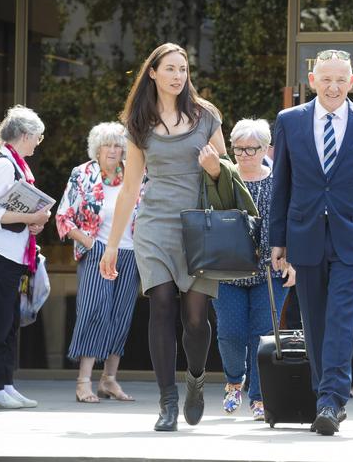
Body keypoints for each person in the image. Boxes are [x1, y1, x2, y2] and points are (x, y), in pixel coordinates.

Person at [99, 42, 227, 431]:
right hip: (155, 224)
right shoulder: (138, 123)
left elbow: (228, 174)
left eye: (183, 69)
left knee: (195, 319)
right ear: (152, 73)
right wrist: (111, 246)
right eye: (170, 68)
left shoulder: (206, 115)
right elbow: (129, 188)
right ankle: (167, 402)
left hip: (199, 225)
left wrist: (214, 166)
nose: (178, 76)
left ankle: (197, 378)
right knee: (162, 305)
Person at [270, 49, 353, 436]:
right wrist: (278, 241)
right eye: (326, 79)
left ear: (352, 82)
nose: (333, 86)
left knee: (341, 317)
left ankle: (330, 400)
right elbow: (281, 184)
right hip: (304, 234)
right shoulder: (289, 121)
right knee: (314, 321)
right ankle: (324, 395)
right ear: (312, 81)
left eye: (341, 79)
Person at [212, 118, 296, 421]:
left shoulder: (280, 181)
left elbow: (293, 223)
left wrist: (293, 260)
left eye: (252, 149)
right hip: (226, 271)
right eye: (239, 149)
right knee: (230, 333)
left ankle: (260, 398)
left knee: (263, 336)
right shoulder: (222, 177)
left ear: (266, 149)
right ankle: (234, 381)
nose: (245, 154)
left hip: (269, 272)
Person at [0, 105, 50, 409]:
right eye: (37, 138)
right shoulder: (4, 165)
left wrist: (33, 220)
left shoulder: (15, 164)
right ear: (25, 135)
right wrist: (31, 218)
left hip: (10, 250)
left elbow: (8, 213)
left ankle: (4, 383)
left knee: (9, 320)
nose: (37, 143)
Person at [55, 122, 141, 403]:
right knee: (94, 312)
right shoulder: (83, 175)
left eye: (119, 145)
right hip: (97, 252)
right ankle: (83, 381)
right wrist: (92, 245)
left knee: (121, 315)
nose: (114, 150)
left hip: (130, 252)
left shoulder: (135, 174)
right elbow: (64, 217)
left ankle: (109, 379)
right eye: (108, 145)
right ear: (97, 149)